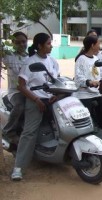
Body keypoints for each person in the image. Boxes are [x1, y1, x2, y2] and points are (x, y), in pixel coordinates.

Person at [11, 33, 60, 181]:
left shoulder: (53, 61)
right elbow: (21, 86)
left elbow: (57, 81)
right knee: (29, 132)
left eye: (50, 43)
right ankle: (18, 167)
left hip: (51, 99)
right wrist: (36, 99)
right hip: (35, 100)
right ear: (39, 46)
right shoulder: (30, 62)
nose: (51, 46)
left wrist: (56, 94)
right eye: (48, 43)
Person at [2, 32, 28, 146]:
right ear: (12, 43)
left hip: (30, 91)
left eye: (24, 41)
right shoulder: (9, 57)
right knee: (20, 105)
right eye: (18, 42)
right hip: (15, 92)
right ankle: (9, 131)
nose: (21, 44)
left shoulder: (30, 57)